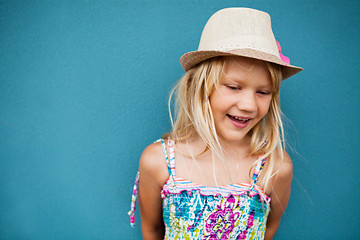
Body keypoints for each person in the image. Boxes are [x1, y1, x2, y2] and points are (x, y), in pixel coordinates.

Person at [128, 7, 302, 240]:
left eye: (263, 92)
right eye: (233, 87)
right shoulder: (157, 161)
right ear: (199, 88)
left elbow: (269, 230)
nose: (249, 105)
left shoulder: (275, 168)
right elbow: (152, 230)